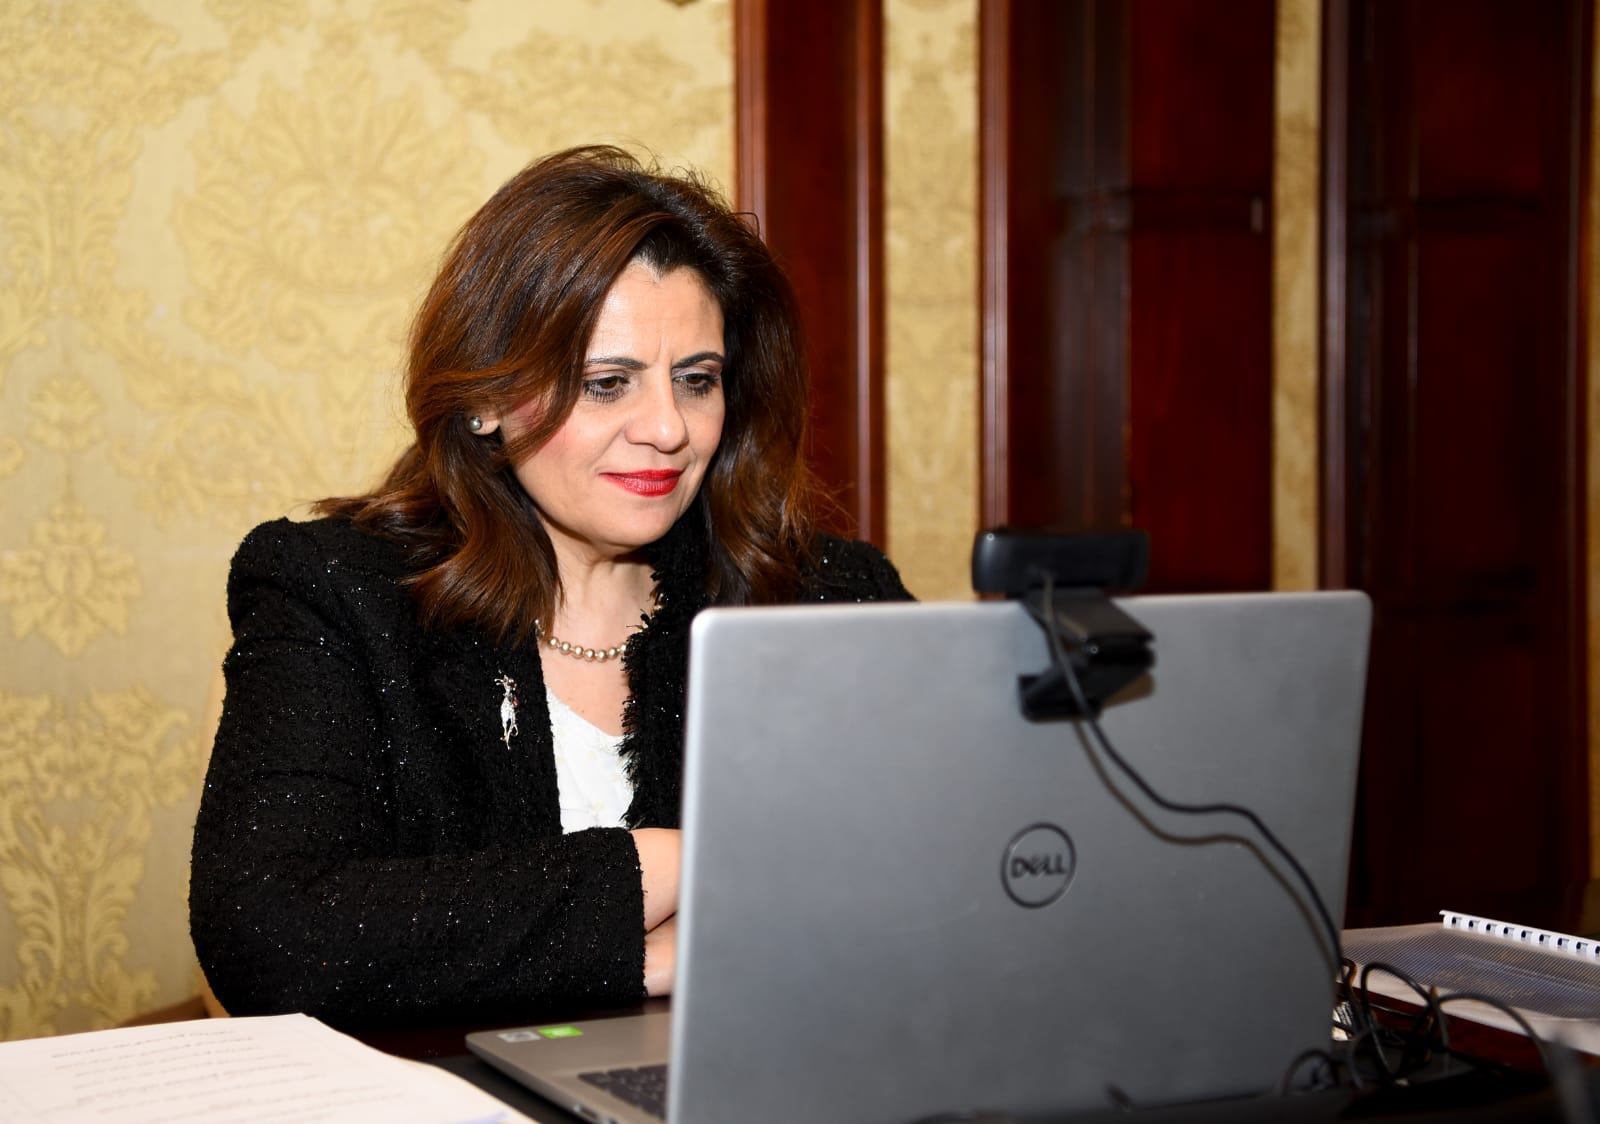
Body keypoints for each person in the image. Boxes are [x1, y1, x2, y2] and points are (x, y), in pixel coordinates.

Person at [189, 146, 911, 1031]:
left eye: (697, 380)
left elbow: (950, 873)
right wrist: (665, 882)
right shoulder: (339, 592)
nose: (668, 428)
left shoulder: (827, 596)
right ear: (486, 396)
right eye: (607, 384)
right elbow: (270, 935)